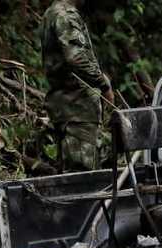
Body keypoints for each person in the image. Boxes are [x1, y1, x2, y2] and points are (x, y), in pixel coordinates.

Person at [41, 0, 113, 172]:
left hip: (68, 108)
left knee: (73, 177)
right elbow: (76, 58)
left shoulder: (52, 13)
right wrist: (104, 84)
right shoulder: (65, 15)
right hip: (77, 110)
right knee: (83, 179)